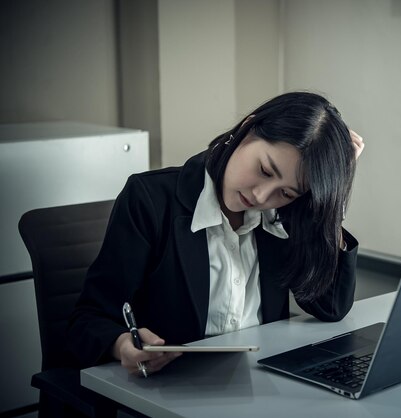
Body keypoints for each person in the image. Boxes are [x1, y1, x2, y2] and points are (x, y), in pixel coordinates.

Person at [67, 91, 365, 376]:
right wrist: (122, 345)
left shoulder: (285, 214)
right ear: (249, 127)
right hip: (170, 392)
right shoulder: (150, 200)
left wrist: (330, 198)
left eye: (285, 192)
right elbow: (88, 319)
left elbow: (330, 306)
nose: (262, 196)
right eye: (264, 169)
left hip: (261, 389)